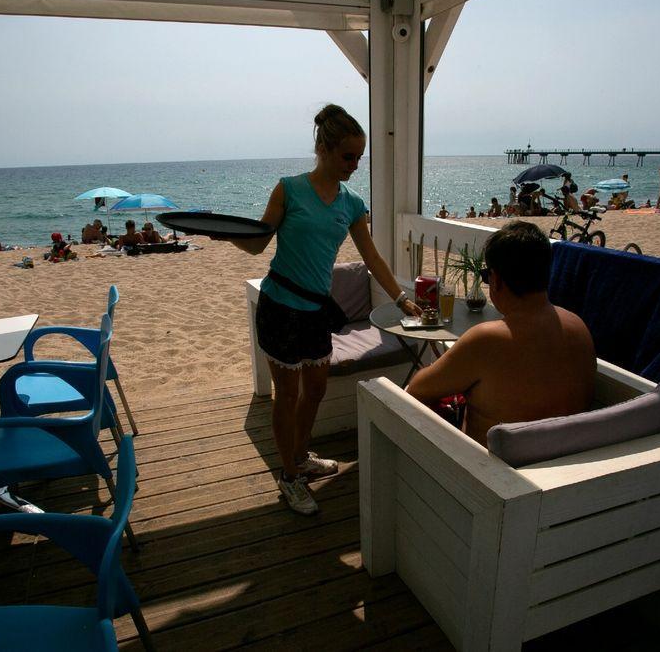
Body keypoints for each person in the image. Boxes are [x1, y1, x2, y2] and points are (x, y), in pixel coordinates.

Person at [225, 104, 421, 515]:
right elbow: (259, 243)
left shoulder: (351, 203)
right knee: (287, 395)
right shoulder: (289, 189)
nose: (354, 165)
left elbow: (373, 258)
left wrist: (401, 298)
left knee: (314, 391)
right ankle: (291, 476)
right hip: (280, 306)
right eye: (347, 156)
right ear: (324, 149)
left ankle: (301, 457)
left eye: (358, 157)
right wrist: (226, 235)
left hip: (316, 311)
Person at [406, 221, 596, 446]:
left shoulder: (487, 340)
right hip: (563, 467)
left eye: (486, 275)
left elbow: (416, 390)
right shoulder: (579, 328)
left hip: (490, 473)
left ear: (496, 280)